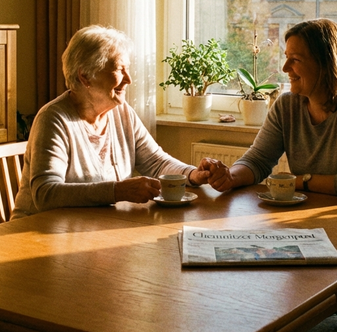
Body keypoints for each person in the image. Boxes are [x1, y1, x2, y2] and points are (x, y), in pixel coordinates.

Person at [11, 25, 216, 218]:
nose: (128, 79)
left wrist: (192, 175)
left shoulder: (122, 113)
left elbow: (156, 162)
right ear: (85, 76)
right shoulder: (54, 120)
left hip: (87, 230)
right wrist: (117, 191)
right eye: (119, 69)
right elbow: (46, 194)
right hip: (37, 234)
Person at [204, 18, 337, 201]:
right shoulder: (286, 105)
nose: (285, 68)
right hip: (318, 210)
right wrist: (230, 177)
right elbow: (258, 160)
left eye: (295, 59)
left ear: (326, 64)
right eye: (286, 57)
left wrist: (299, 181)